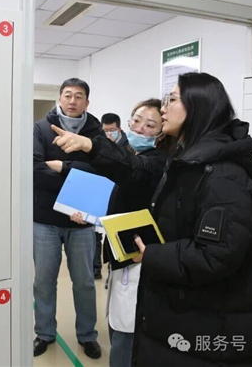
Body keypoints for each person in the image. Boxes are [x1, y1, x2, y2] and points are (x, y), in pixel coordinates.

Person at [131, 73, 252, 366]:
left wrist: (153, 254)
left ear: (198, 107)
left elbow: (216, 255)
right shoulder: (188, 161)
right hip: (185, 312)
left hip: (208, 325)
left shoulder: (222, 175)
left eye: (172, 100)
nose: (163, 109)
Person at [52, 98, 170, 367]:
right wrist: (89, 216)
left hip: (138, 257)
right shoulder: (133, 156)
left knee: (126, 334)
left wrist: (89, 144)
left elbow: (132, 173)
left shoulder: (158, 162)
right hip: (121, 254)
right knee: (118, 325)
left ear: (162, 131)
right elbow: (116, 198)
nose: (139, 128)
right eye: (136, 120)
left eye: (150, 125)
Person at [32, 77, 103, 359]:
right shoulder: (41, 128)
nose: (73, 101)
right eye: (68, 95)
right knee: (44, 281)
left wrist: (62, 167)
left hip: (81, 220)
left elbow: (102, 172)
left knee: (84, 282)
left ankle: (87, 335)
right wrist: (78, 182)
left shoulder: (96, 134)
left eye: (79, 96)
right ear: (59, 98)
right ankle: (44, 333)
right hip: (45, 219)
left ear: (87, 102)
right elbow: (35, 169)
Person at [94, 112, 131, 281]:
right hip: (101, 193)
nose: (109, 133)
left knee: (117, 233)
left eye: (112, 130)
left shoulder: (129, 146)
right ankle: (97, 269)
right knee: (97, 234)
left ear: (120, 129)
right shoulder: (100, 144)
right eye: (106, 130)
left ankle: (114, 272)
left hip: (120, 196)